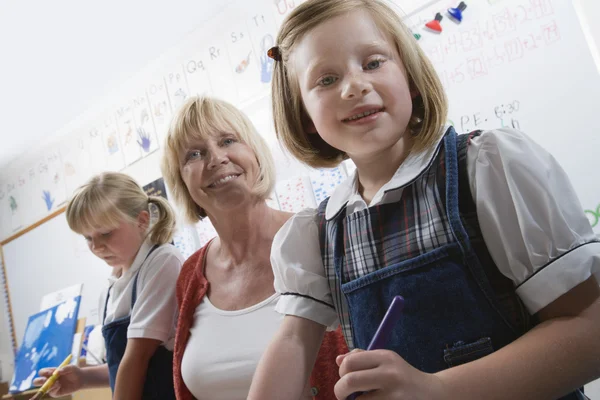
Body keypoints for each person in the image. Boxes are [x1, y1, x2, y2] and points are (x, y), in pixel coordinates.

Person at [248, 0, 600, 399]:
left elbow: (588, 330)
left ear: (410, 78)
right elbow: (293, 341)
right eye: (325, 80)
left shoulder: (486, 168)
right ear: (306, 118)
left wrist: (436, 389)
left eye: (374, 62)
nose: (354, 85)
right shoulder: (318, 234)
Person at [160, 95, 348, 400]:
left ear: (256, 153)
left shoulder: (321, 236)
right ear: (182, 182)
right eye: (194, 154)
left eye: (228, 140)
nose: (216, 159)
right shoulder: (189, 276)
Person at [34, 172, 182, 400]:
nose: (97, 246)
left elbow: (139, 357)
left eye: (105, 233)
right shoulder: (110, 289)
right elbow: (122, 365)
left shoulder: (162, 261)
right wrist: (83, 378)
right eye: (88, 238)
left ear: (142, 220)